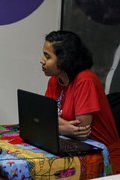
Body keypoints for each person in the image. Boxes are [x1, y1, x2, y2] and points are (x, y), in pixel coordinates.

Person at [40, 30, 120, 174]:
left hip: (103, 157)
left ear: (64, 59)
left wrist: (56, 125)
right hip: (75, 150)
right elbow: (45, 115)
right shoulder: (54, 80)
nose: (42, 60)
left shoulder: (85, 80)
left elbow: (81, 130)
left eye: (47, 56)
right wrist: (64, 127)